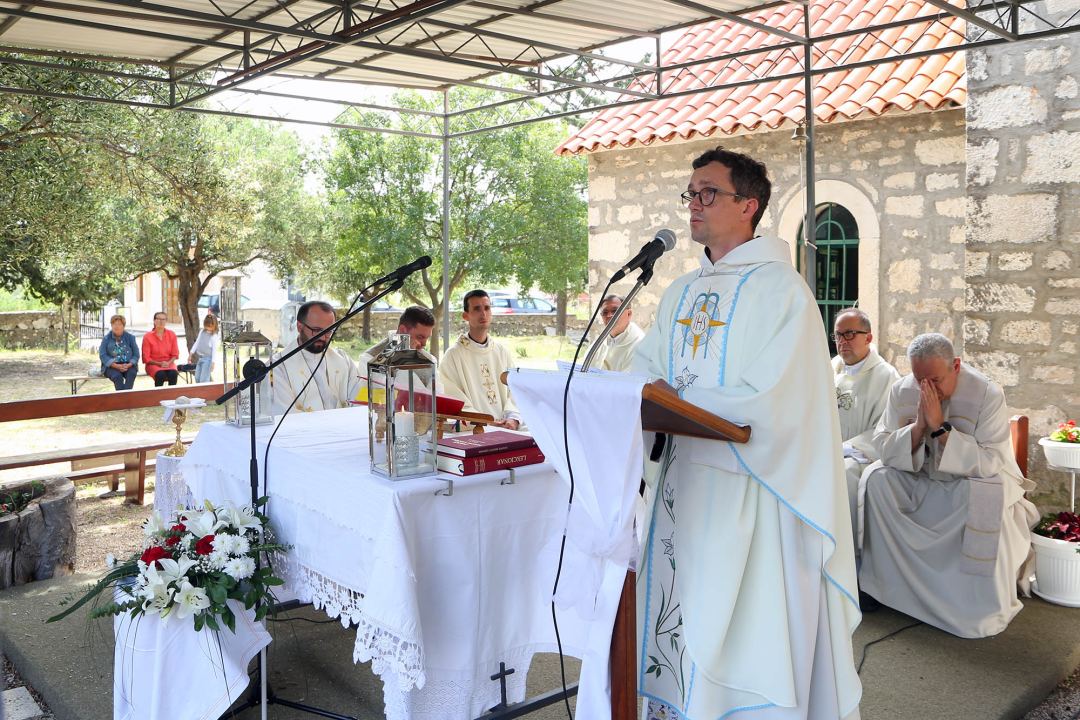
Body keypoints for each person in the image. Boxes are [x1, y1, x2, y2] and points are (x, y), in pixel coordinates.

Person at [631, 146, 860, 720]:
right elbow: (645, 372)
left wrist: (683, 400)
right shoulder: (681, 291)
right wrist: (638, 392)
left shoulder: (782, 290)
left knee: (744, 626)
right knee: (678, 615)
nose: (694, 204)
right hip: (682, 482)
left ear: (748, 205)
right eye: (691, 193)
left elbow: (781, 398)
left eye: (708, 193)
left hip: (753, 491)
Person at [859, 333, 1038, 638]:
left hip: (966, 482)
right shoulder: (902, 389)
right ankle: (885, 589)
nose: (927, 389)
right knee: (877, 480)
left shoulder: (986, 393)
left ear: (955, 365)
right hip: (922, 478)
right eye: (920, 380)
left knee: (982, 496)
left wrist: (940, 428)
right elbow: (883, 447)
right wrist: (918, 427)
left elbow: (991, 461)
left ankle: (973, 604)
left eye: (935, 380)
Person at [831, 308, 900, 551]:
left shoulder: (886, 376)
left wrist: (842, 450)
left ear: (868, 338)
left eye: (849, 334)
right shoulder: (831, 368)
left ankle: (846, 552)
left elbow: (886, 428)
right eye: (838, 335)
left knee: (843, 473)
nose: (842, 341)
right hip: (828, 450)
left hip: (862, 456)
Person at [440, 290, 523, 430]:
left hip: (507, 428)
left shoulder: (502, 352)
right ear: (466, 316)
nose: (483, 314)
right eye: (477, 309)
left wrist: (513, 418)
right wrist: (485, 422)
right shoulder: (453, 355)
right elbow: (453, 398)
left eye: (487, 308)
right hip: (475, 431)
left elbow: (516, 391)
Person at [269, 300, 362, 413]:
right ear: (299, 327)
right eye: (316, 330)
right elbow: (285, 413)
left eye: (328, 331)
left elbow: (359, 400)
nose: (323, 337)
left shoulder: (344, 360)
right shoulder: (278, 367)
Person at [586, 294, 646, 373]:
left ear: (629, 314)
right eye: (605, 312)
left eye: (615, 311)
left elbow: (631, 379)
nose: (609, 315)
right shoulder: (598, 344)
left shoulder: (639, 345)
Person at [99, 314, 140, 391]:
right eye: (114, 325)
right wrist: (116, 366)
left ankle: (123, 397)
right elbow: (103, 355)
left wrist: (128, 365)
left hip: (128, 364)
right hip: (111, 366)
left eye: (119, 325)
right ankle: (123, 397)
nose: (116, 327)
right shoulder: (106, 338)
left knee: (131, 374)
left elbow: (136, 354)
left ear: (123, 326)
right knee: (117, 377)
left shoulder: (130, 337)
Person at [142, 311, 179, 387]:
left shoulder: (172, 334)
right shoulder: (147, 336)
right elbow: (146, 357)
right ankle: (158, 394)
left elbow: (175, 353)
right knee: (160, 374)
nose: (161, 322)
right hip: (153, 364)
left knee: (173, 373)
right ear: (154, 320)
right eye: (159, 319)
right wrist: (159, 363)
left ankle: (171, 394)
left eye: (163, 319)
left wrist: (169, 363)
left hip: (169, 363)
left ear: (166, 321)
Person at [188, 314, 219, 384]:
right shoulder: (202, 331)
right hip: (200, 358)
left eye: (210, 326)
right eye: (206, 326)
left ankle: (204, 390)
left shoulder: (214, 336)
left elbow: (214, 350)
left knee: (204, 380)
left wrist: (213, 362)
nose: (208, 328)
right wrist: (191, 353)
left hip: (207, 359)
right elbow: (197, 342)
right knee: (197, 377)